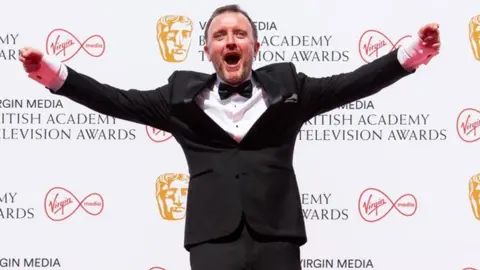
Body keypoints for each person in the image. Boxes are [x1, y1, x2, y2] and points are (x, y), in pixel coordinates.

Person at [19, 4, 441, 270]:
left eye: (239, 34)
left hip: (277, 238)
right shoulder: (178, 99)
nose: (230, 40)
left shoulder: (291, 89)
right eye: (220, 35)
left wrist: (412, 54)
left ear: (255, 46)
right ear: (207, 51)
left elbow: (353, 83)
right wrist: (52, 73)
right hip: (211, 241)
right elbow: (114, 100)